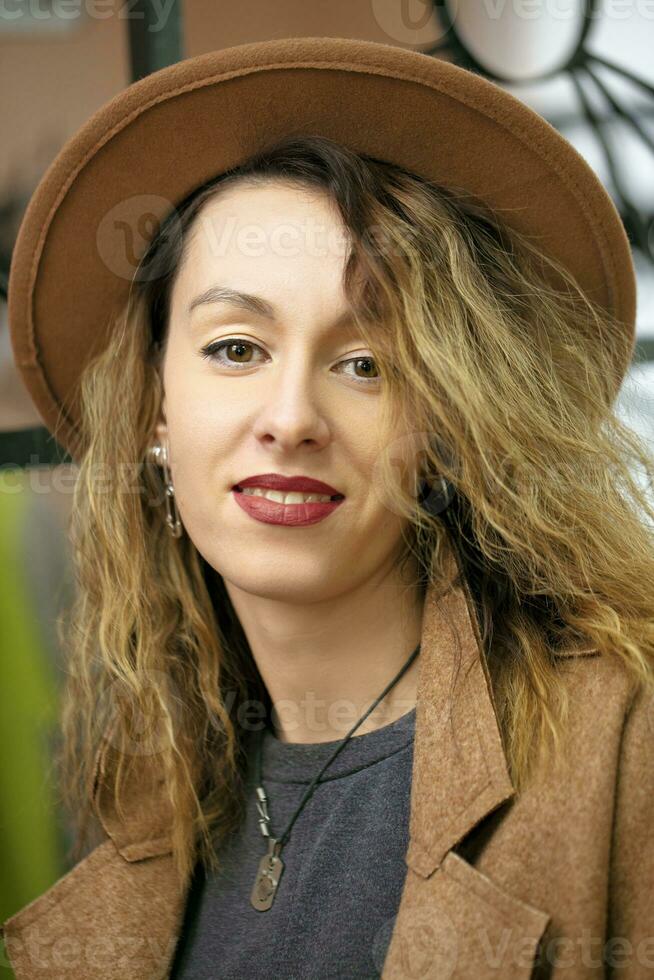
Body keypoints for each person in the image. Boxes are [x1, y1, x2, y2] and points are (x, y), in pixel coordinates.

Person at [1, 37, 653, 980]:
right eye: (235, 348)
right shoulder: (135, 781)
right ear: (154, 407)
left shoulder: (623, 741)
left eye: (365, 365)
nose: (293, 418)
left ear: (443, 419)